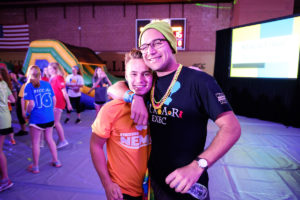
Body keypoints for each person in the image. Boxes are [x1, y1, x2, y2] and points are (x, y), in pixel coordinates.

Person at [108, 21, 241, 200]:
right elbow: (113, 88)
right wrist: (135, 97)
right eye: (145, 46)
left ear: (171, 44)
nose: (151, 50)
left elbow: (232, 128)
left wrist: (198, 165)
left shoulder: (198, 81)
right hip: (155, 184)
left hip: (188, 185)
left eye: (157, 43)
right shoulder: (148, 82)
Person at [90, 49, 152, 200]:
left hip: (153, 189)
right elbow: (95, 145)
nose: (140, 80)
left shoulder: (159, 106)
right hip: (122, 191)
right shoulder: (111, 109)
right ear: (125, 76)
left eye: (146, 73)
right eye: (134, 74)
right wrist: (107, 183)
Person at [24, 65, 62, 173]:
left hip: (37, 118)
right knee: (49, 138)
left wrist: (27, 113)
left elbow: (31, 103)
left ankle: (35, 166)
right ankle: (56, 160)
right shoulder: (46, 84)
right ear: (40, 74)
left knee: (36, 142)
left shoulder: (29, 86)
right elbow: (54, 99)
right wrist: (51, 109)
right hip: (49, 117)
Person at [48, 62, 72, 149]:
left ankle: (63, 140)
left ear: (55, 69)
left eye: (51, 69)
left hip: (58, 103)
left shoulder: (59, 78)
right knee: (54, 122)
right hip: (52, 103)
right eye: (49, 69)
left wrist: (68, 104)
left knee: (56, 122)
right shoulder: (51, 78)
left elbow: (64, 92)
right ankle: (59, 139)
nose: (49, 70)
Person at [0, 67, 15, 192]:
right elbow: (13, 100)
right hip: (5, 118)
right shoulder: (4, 83)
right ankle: (5, 178)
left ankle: (5, 179)